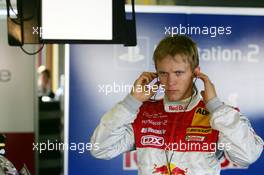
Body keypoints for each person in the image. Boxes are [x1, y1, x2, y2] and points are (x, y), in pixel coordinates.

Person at [90, 35, 263, 175]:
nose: (170, 81)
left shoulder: (219, 116)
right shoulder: (143, 113)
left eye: (178, 73)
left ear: (195, 73)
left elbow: (246, 156)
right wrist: (131, 102)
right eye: (163, 73)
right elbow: (101, 149)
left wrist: (215, 106)